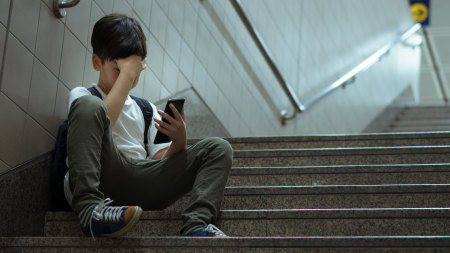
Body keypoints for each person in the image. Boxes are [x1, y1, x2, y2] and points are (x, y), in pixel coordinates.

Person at [63, 13, 233, 241]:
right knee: (89, 106)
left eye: (135, 71)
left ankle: (196, 224)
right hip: (103, 175)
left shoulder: (146, 110)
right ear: (97, 63)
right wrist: (127, 76)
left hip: (142, 180)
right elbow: (103, 119)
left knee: (219, 148)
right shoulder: (84, 97)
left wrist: (179, 140)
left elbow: (160, 163)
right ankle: (89, 209)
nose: (130, 77)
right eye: (120, 69)